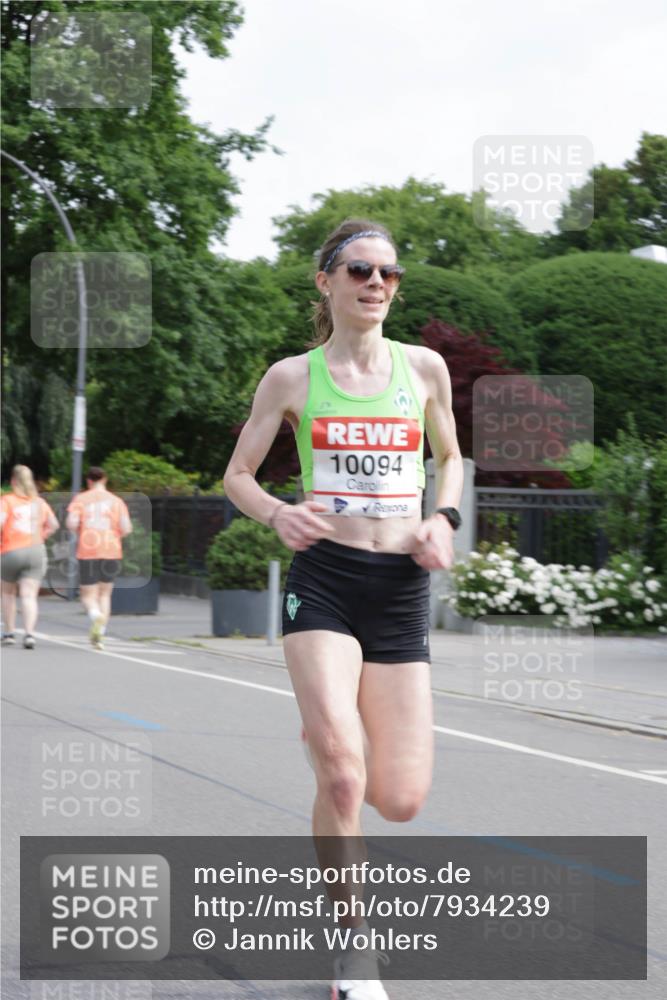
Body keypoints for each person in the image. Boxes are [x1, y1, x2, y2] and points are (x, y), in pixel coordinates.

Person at [223, 218, 464, 1000]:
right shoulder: (291, 377)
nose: (376, 284)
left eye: (389, 273)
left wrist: (443, 518)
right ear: (325, 282)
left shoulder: (422, 368)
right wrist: (275, 512)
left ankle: (331, 741)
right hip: (324, 579)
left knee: (398, 798)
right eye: (360, 270)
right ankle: (353, 950)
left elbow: (450, 457)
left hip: (398, 589)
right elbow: (237, 475)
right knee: (340, 776)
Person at [66, 467, 132, 650]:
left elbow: (71, 523)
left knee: (88, 595)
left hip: (88, 550)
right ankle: (100, 635)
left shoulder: (81, 499)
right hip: (111, 550)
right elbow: (126, 528)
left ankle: (95, 616)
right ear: (105, 480)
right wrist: (114, 535)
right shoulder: (117, 501)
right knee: (105, 594)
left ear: (89, 481)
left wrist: (80, 530)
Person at [1, 465, 59, 649]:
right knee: (29, 595)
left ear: (13, 481)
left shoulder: (7, 500)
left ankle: (9, 633)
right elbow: (54, 524)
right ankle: (29, 635)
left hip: (11, 551)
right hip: (35, 551)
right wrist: (42, 536)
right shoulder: (39, 502)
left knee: (8, 593)